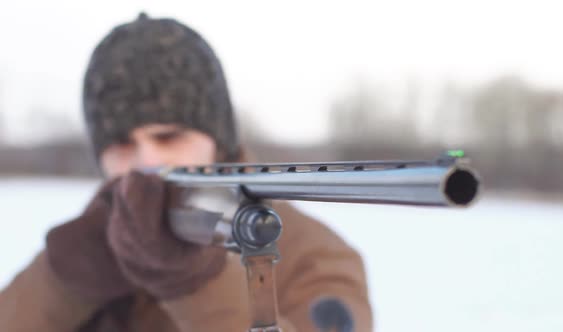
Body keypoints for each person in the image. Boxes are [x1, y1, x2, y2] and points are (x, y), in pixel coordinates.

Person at [0, 13, 372, 331]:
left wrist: (198, 284)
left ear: (218, 138)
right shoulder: (97, 231)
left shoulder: (313, 254)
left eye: (168, 136)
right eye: (122, 144)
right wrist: (62, 280)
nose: (147, 161)